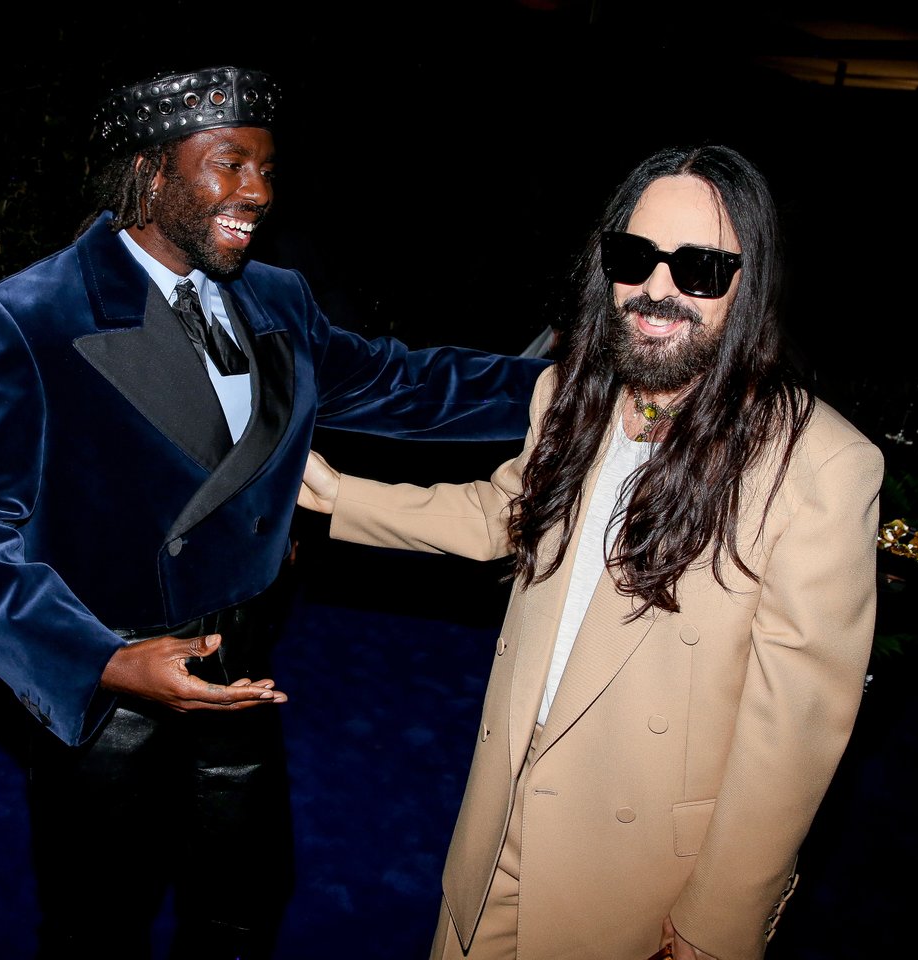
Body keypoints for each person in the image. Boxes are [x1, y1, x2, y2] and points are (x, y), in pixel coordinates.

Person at [0, 64, 546, 960]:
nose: (258, 193)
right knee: (101, 921)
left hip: (245, 667)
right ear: (150, 171)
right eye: (230, 164)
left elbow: (407, 384)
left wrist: (576, 385)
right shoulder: (30, 317)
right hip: (112, 687)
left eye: (268, 169)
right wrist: (105, 662)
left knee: (244, 900)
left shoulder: (275, 298)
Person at [298, 143, 883, 960]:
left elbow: (795, 734)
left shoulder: (816, 463)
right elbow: (505, 510)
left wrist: (717, 927)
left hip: (638, 878)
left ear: (751, 286)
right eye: (635, 258)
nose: (657, 290)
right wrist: (335, 496)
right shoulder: (568, 394)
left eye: (701, 270)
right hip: (498, 819)